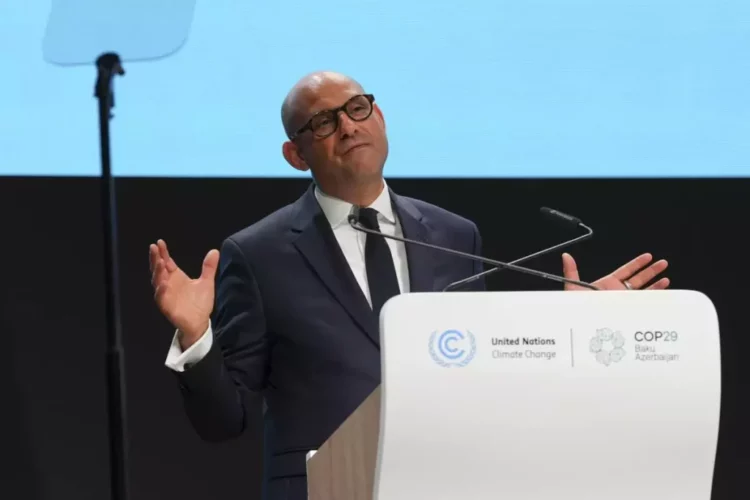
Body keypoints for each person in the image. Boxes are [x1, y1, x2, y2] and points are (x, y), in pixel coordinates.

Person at [148, 71, 669, 500]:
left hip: (443, 482)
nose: (348, 127)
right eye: (324, 122)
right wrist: (197, 338)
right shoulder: (257, 253)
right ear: (296, 154)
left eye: (357, 109)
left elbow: (482, 376)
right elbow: (224, 420)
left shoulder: (452, 234)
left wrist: (565, 330)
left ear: (380, 118)